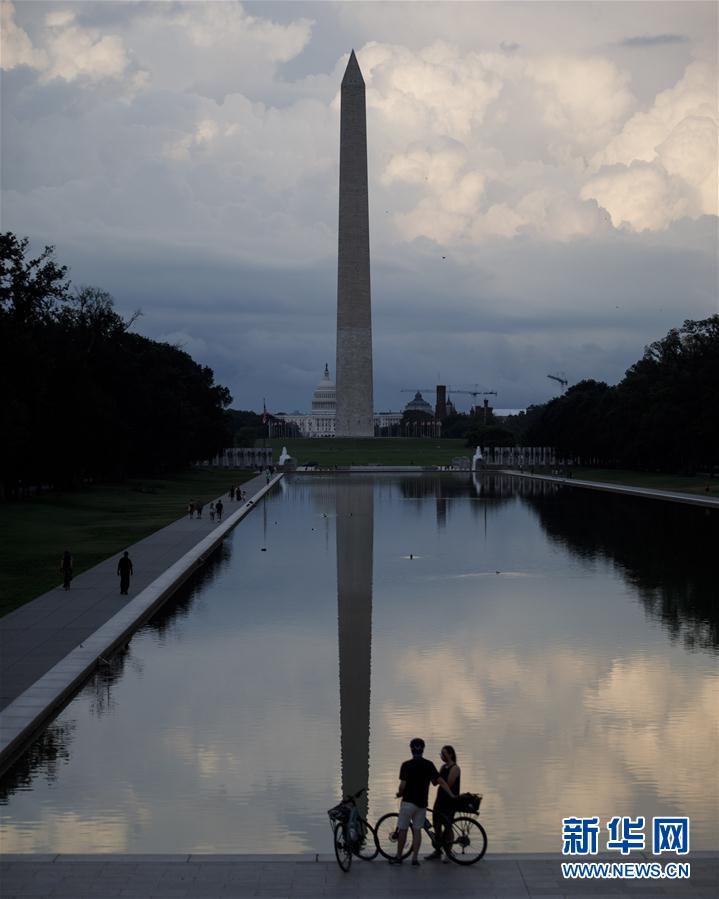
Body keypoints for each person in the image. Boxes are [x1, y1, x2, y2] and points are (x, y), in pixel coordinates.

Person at [389, 738, 452, 866]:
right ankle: (415, 859)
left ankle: (399, 857)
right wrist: (451, 793)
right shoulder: (429, 765)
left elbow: (402, 786)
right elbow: (439, 781)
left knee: (403, 829)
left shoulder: (406, 765)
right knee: (417, 830)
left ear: (411, 749)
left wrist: (399, 793)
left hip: (408, 802)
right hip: (422, 804)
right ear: (423, 749)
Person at [426, 745, 461, 860]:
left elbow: (449, 783)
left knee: (448, 826)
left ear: (450, 754)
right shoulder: (442, 767)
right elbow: (436, 783)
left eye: (444, 753)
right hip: (440, 799)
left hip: (450, 801)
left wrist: (439, 779)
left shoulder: (455, 768)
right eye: (441, 753)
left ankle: (449, 852)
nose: (442, 756)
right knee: (436, 824)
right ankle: (438, 850)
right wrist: (432, 776)